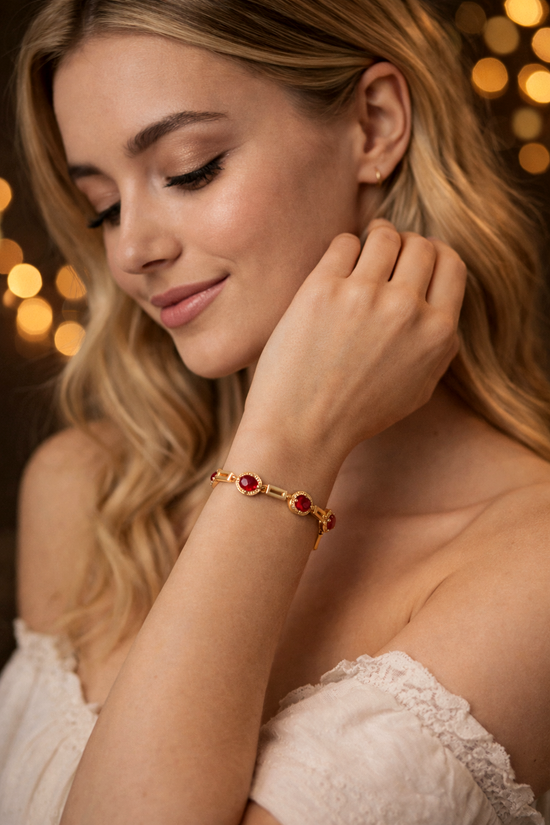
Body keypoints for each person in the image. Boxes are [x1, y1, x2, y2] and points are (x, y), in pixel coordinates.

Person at [1, 0, 550, 822]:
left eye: (190, 169)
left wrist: (291, 444)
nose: (131, 249)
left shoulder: (533, 566)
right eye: (104, 205)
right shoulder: (90, 494)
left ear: (374, 123)